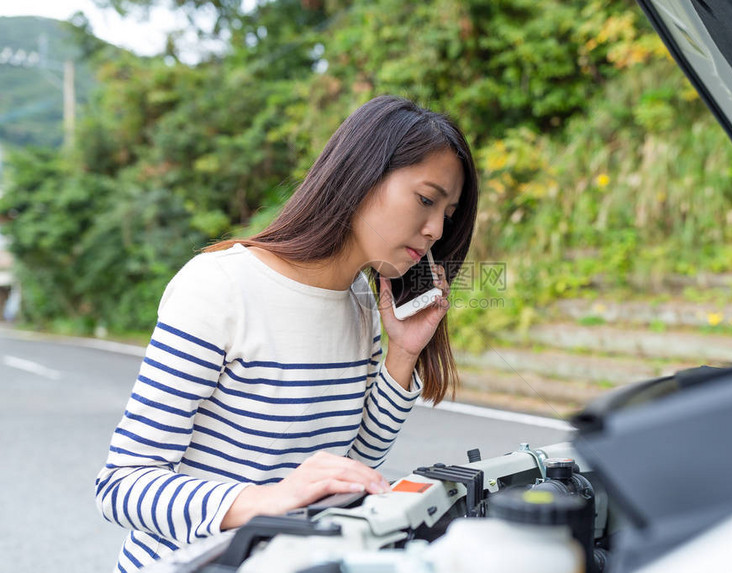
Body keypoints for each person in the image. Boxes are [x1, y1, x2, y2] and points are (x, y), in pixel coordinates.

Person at [94, 95, 479, 571]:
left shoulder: (360, 303)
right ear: (361, 175)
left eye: (448, 212)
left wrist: (401, 354)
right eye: (426, 199)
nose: (437, 229)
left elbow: (351, 466)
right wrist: (267, 500)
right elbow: (123, 485)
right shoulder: (221, 285)